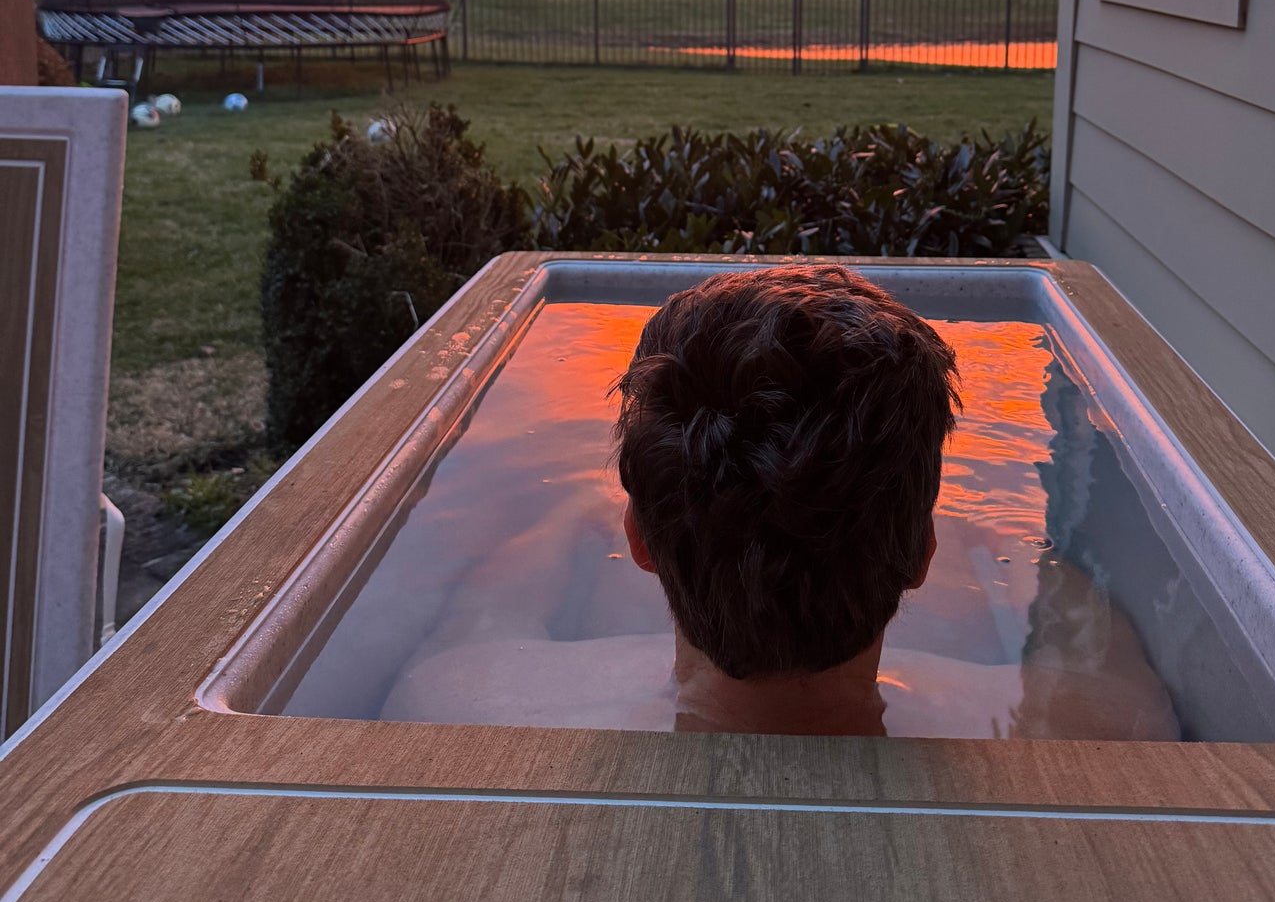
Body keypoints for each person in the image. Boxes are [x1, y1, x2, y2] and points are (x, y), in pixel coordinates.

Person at [382, 265, 1178, 739]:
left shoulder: (467, 700)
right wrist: (972, 538)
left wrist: (568, 517)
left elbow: (494, 597)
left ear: (641, 540)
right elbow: (1066, 610)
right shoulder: (1095, 730)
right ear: (919, 554)